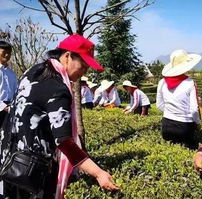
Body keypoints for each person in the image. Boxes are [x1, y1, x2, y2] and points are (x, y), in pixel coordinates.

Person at [0, 35, 119, 199]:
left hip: (9, 161)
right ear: (68, 56)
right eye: (83, 66)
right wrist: (98, 173)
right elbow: (63, 141)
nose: (84, 72)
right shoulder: (58, 88)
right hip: (31, 171)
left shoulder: (34, 71)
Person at [156, 49, 201, 147]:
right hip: (184, 126)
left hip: (166, 125)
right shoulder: (190, 83)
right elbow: (194, 110)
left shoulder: (162, 82)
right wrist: (197, 123)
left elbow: (159, 105)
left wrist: (171, 111)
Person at [0, 41, 17, 128]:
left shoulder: (12, 74)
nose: (7, 55)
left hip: (9, 109)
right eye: (4, 52)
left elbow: (15, 91)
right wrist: (2, 106)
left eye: (9, 53)